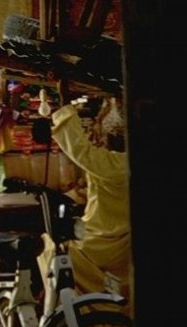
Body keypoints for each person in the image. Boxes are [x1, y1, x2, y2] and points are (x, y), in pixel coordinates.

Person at [45, 87, 131, 313]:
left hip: (105, 243)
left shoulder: (117, 164)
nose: (97, 138)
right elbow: (97, 190)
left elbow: (80, 151)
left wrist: (64, 104)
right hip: (118, 241)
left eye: (100, 135)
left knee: (51, 249)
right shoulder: (122, 164)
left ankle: (81, 318)